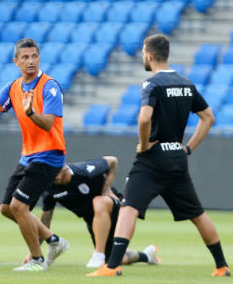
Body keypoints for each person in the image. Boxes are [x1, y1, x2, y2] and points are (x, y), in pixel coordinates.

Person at [88, 34, 230, 278]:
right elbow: (209, 117)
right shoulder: (186, 83)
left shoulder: (152, 84)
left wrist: (144, 145)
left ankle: (112, 267)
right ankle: (221, 266)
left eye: (144, 53)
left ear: (150, 55)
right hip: (177, 158)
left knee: (128, 208)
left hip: (152, 159)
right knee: (197, 214)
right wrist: (188, 148)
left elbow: (144, 118)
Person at [0, 38, 69, 271]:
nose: (31, 61)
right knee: (7, 208)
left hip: (49, 155)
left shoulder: (49, 86)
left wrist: (30, 112)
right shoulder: (13, 87)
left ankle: (37, 261)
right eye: (25, 57)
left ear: (39, 58)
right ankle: (53, 240)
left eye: (34, 56)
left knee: (19, 207)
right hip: (28, 155)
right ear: (16, 62)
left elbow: (48, 123)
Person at [39, 156, 160, 268]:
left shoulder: (83, 170)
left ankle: (98, 255)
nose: (53, 177)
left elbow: (112, 161)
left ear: (64, 167)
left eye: (55, 172)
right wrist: (35, 253)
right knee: (114, 259)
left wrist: (106, 189)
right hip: (94, 221)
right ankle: (147, 256)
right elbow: (45, 222)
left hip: (113, 207)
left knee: (98, 201)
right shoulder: (49, 188)